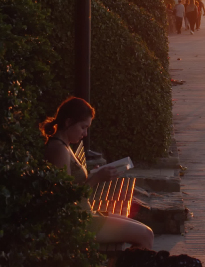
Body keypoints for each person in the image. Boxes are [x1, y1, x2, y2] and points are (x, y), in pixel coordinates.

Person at [42, 97, 154, 249]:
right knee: (145, 235)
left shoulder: (64, 145)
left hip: (85, 213)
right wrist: (96, 179)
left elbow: (73, 184)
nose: (85, 133)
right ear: (68, 122)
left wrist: (94, 174)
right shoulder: (59, 150)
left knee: (147, 232)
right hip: (77, 221)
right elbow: (66, 200)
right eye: (83, 127)